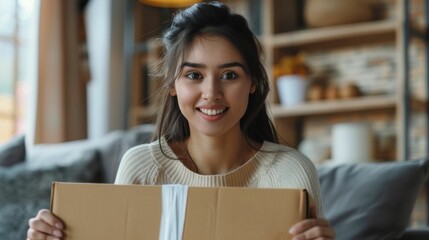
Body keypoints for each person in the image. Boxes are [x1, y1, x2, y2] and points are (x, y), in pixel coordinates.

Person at [27, 2, 335, 240]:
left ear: (252, 82)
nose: (211, 93)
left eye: (229, 75)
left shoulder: (291, 173)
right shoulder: (141, 169)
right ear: (173, 84)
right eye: (194, 75)